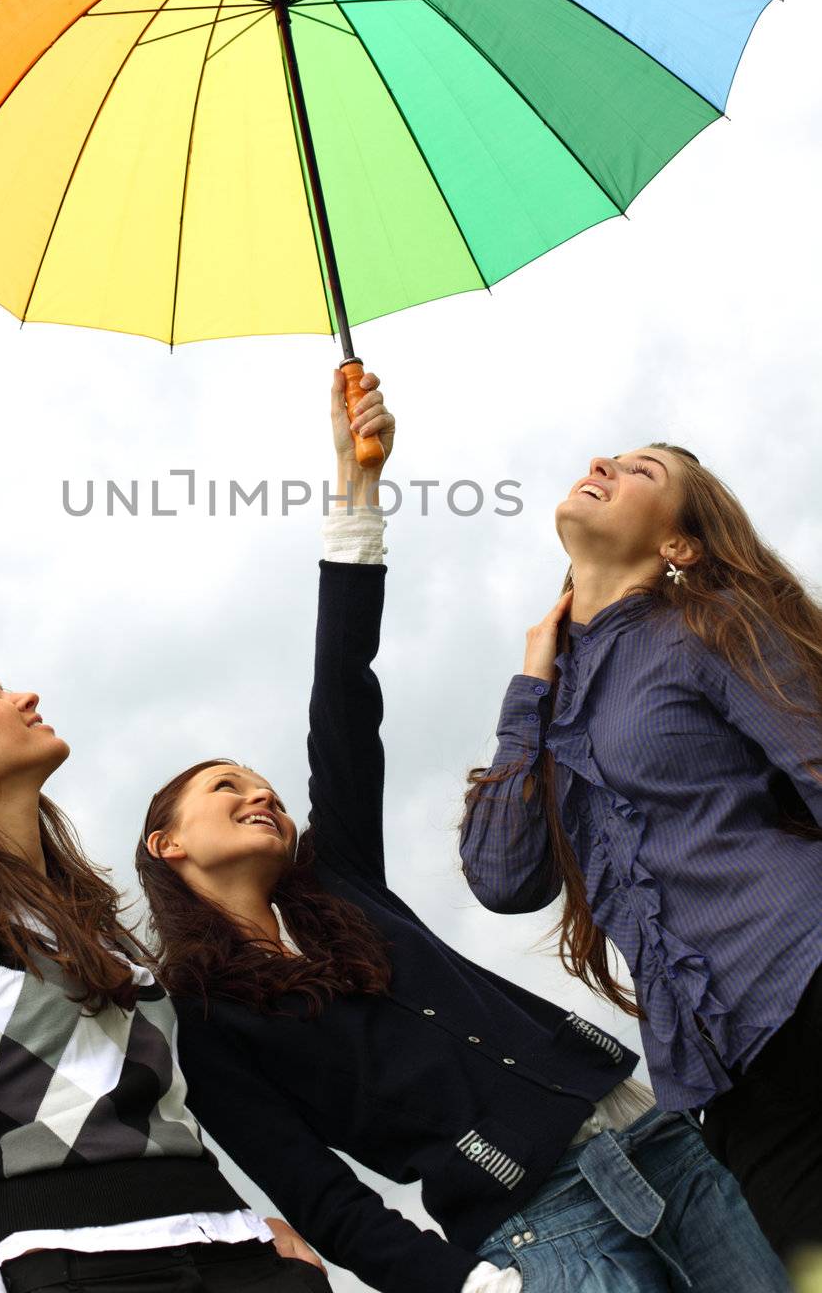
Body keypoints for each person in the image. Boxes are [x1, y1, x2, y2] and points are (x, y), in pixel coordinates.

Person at [138, 378, 788, 1293]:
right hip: (535, 1235)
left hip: (653, 1142)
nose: (262, 794)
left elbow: (342, 695)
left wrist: (354, 485)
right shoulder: (200, 1021)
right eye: (225, 787)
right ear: (167, 845)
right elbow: (318, 1196)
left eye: (267, 784)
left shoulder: (342, 883)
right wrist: (454, 1286)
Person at [0, 636, 327, 1292]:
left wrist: (251, 1228)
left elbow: (167, 1108)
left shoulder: (96, 924)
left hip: (236, 1251)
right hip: (81, 1268)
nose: (25, 696)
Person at [459, 442, 822, 1263]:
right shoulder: (545, 702)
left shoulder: (709, 624)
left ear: (678, 547)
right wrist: (528, 693)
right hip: (726, 1072)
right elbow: (503, 879)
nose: (601, 462)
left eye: (641, 472)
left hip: (806, 966)